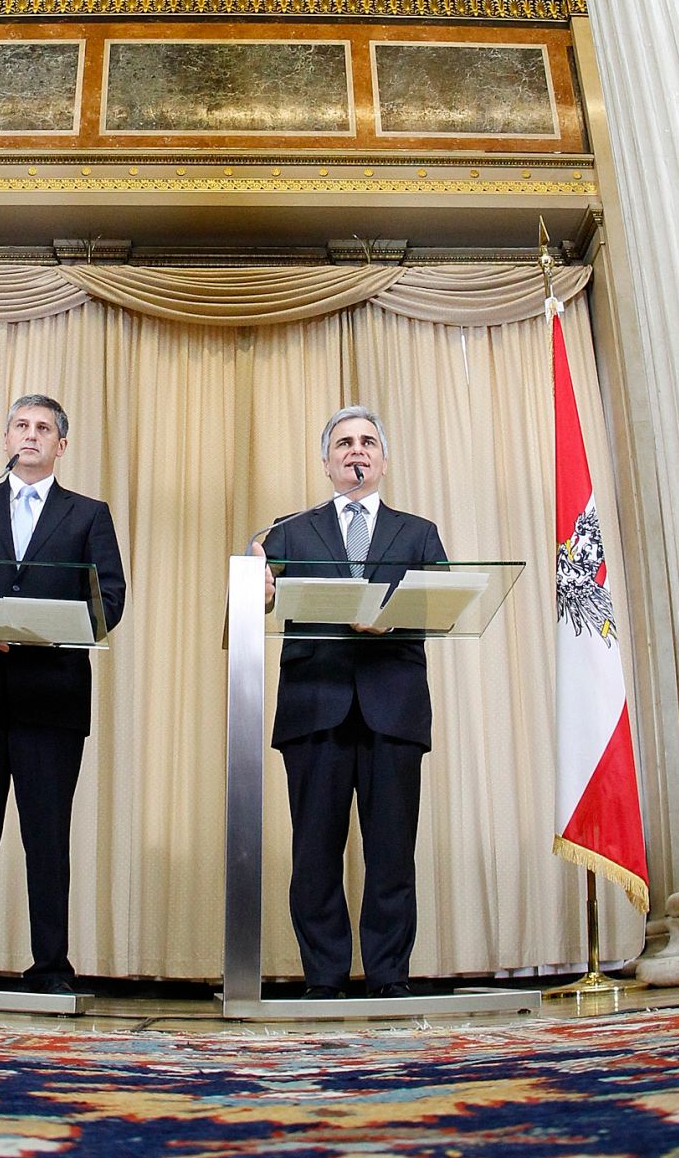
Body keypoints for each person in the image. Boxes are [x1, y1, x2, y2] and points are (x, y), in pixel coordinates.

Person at [0, 394, 126, 993]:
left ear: (62, 445)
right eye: (21, 425)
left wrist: (38, 632)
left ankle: (50, 968)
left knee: (47, 838)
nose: (31, 435)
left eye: (44, 428)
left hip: (51, 701)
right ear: (5, 438)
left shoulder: (89, 515)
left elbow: (109, 601)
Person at [256, 404, 447, 998]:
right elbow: (256, 602)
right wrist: (255, 584)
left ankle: (389, 978)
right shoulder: (286, 532)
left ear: (384, 460)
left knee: (392, 855)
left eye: (367, 443)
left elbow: (442, 603)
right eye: (344, 444)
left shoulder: (417, 533)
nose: (356, 452)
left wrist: (391, 621)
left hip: (393, 709)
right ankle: (325, 980)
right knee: (314, 857)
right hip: (316, 706)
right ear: (327, 462)